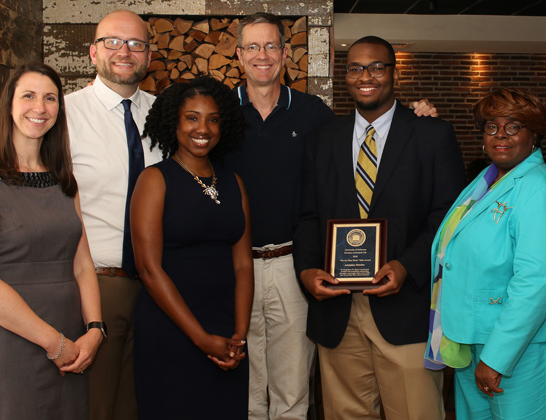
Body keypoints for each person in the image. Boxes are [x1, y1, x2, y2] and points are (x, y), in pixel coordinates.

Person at [228, 13, 440, 419]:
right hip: (234, 267)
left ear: (286, 54)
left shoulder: (315, 117)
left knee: (293, 389)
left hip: (291, 263)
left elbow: (317, 204)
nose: (262, 55)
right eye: (252, 47)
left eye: (271, 45)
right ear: (238, 55)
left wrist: (417, 116)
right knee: (243, 387)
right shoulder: (218, 112)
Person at [293, 35, 466, 420]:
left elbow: (448, 218)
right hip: (336, 311)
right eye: (355, 68)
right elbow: (307, 215)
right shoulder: (321, 141)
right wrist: (305, 270)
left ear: (394, 72)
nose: (365, 76)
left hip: (405, 309)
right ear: (346, 77)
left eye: (376, 67)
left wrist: (407, 266)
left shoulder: (432, 135)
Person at [0, 63, 104, 419]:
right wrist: (54, 344)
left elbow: (82, 263)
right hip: (12, 342)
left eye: (50, 98)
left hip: (72, 343)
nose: (39, 108)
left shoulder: (63, 178)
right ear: (9, 105)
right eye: (29, 96)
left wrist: (95, 329)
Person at [423, 88, 546, 419]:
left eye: (513, 126)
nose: (500, 135)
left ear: (534, 135)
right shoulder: (485, 181)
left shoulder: (537, 187)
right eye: (492, 127)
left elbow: (538, 281)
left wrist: (497, 357)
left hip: (518, 350)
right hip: (471, 340)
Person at [130, 76, 253, 419]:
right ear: (174, 122)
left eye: (213, 119)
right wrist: (200, 338)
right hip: (171, 328)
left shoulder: (233, 183)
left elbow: (243, 265)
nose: (203, 128)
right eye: (192, 117)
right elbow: (149, 269)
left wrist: (238, 337)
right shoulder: (155, 179)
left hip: (226, 329)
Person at [65, 9, 160, 420]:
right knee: (95, 406)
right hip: (97, 286)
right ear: (92, 52)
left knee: (145, 403)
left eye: (136, 43)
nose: (125, 51)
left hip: (159, 287)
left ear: (149, 56)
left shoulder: (166, 114)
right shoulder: (63, 116)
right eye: (113, 42)